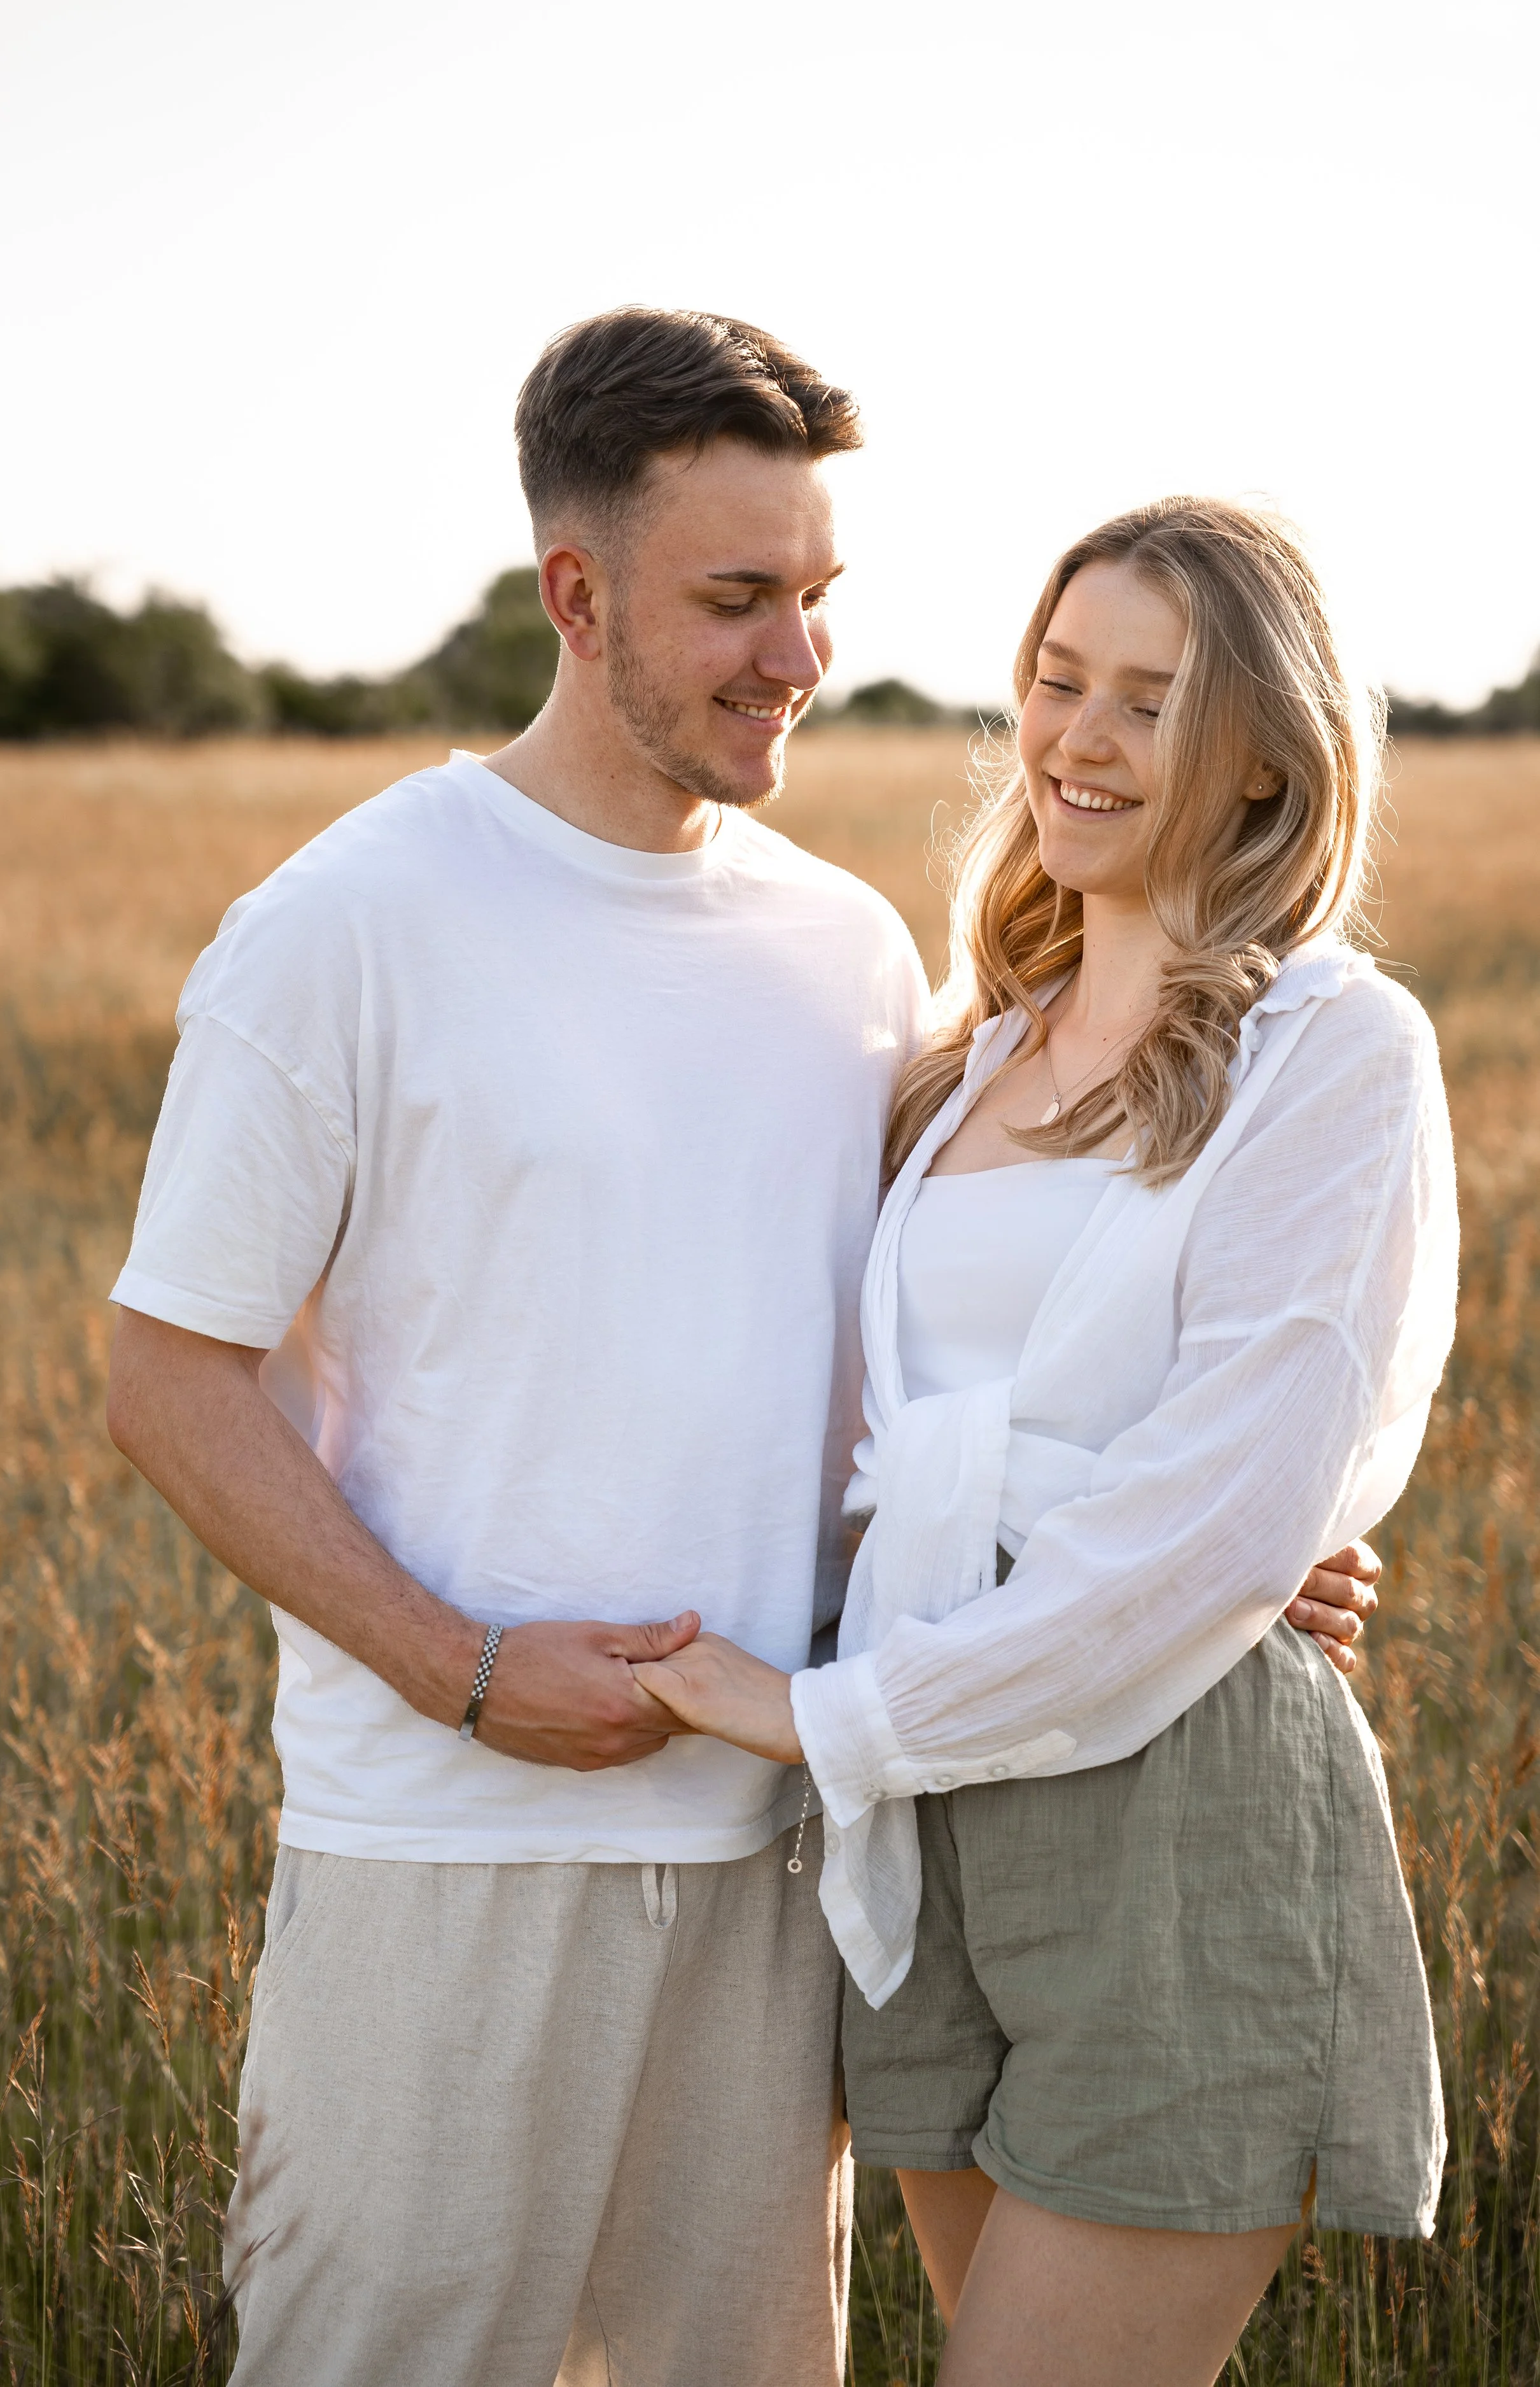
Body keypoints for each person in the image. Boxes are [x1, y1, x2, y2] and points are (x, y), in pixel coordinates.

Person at [105, 310, 1376, 2387]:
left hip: (792, 1857)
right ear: (574, 594)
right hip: (448, 1851)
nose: (796, 653)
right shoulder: (347, 924)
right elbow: (167, 1378)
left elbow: (927, 1369)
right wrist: (465, 1668)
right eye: (734, 599)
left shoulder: (848, 952)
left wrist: (1213, 1559)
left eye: (815, 595)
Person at [635, 497, 1457, 2387]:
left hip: (1159, 1789)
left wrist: (816, 1712)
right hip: (928, 1829)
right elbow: (861, 1427)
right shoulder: (963, 1058)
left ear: (1263, 752)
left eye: (1148, 702)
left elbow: (1222, 1504)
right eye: (1056, 680)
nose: (1074, 738)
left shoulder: (1330, 1045)